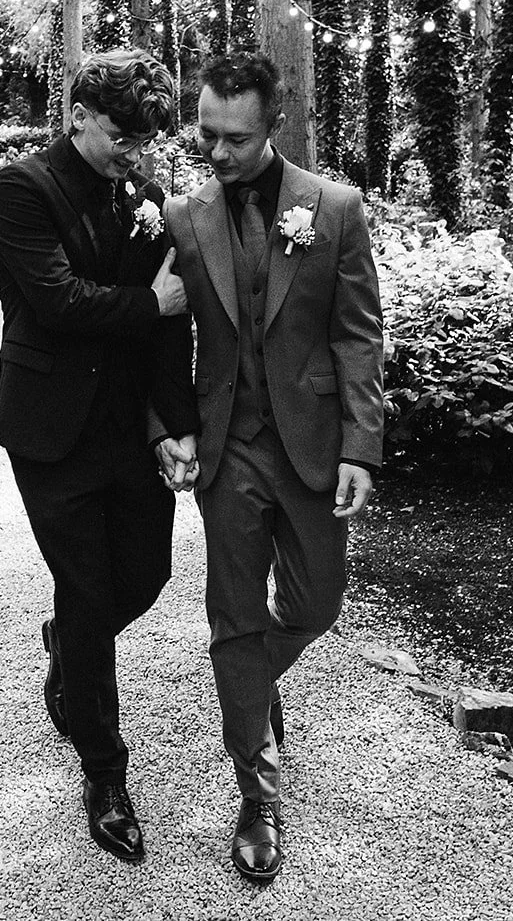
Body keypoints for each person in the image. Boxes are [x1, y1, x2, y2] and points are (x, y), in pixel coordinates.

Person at [160, 51, 385, 881]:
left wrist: (362, 444)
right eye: (206, 135)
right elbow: (159, 340)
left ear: (273, 127)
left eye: (235, 139)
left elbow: (358, 333)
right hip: (228, 448)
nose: (215, 153)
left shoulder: (334, 207)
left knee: (318, 603)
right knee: (232, 616)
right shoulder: (183, 217)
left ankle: (249, 683)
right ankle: (258, 791)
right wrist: (167, 430)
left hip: (313, 447)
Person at [0, 50, 197, 862]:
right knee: (85, 581)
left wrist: (174, 425)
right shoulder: (22, 188)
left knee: (145, 575)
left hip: (124, 431)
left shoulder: (144, 199)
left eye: (144, 140)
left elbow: (166, 332)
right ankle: (105, 775)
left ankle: (68, 647)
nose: (134, 152)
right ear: (77, 113)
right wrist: (151, 299)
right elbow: (57, 301)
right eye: (120, 135)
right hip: (51, 431)